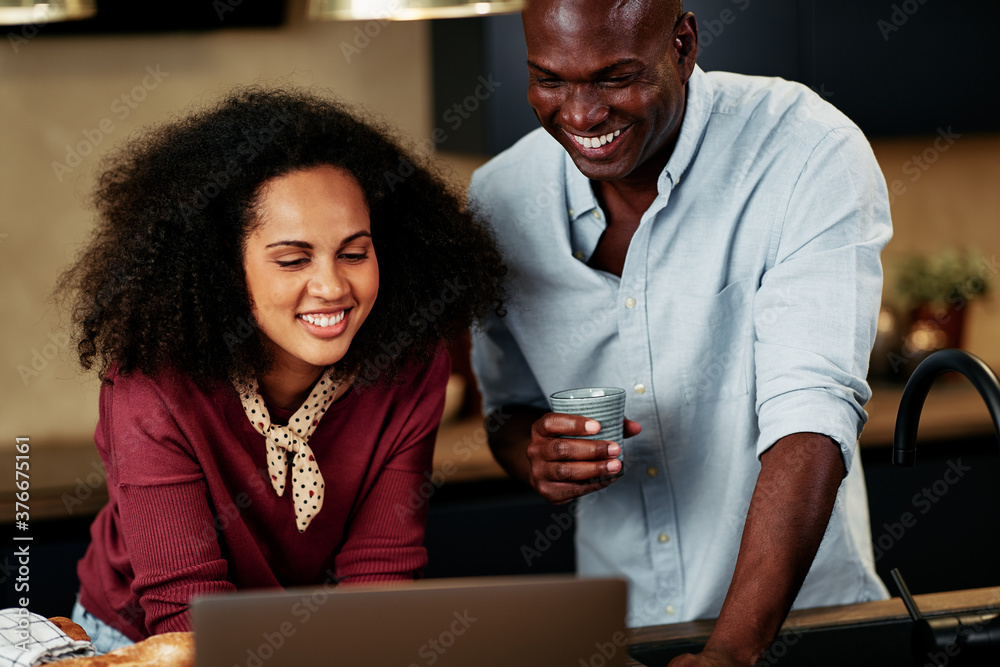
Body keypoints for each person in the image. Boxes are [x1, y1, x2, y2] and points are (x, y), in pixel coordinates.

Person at [468, 0, 891, 664]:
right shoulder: (499, 201)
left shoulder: (806, 151)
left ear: (684, 44)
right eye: (549, 78)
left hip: (804, 629)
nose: (579, 115)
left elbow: (812, 413)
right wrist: (536, 453)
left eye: (614, 76)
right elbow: (508, 410)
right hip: (621, 632)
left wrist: (730, 652)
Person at [56, 86, 506, 653]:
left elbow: (380, 576)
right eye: (293, 259)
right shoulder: (152, 382)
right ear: (222, 265)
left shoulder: (411, 365)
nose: (332, 287)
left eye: (354, 252)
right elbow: (189, 618)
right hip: (148, 642)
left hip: (314, 636)